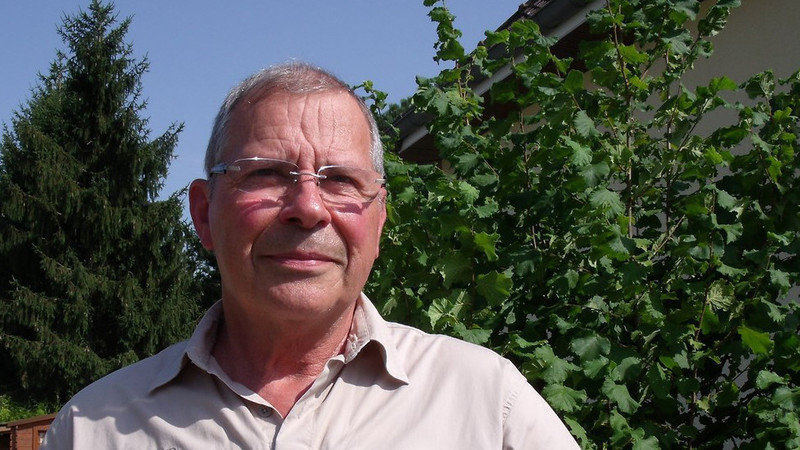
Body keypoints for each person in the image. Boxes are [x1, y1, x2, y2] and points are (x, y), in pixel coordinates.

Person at [43, 61, 579, 449]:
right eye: (267, 174)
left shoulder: (486, 402)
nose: (307, 208)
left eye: (340, 180)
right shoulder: (92, 429)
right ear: (204, 215)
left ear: (378, 221)